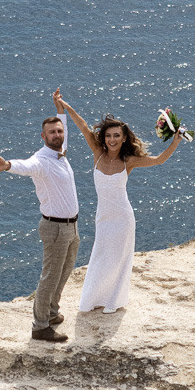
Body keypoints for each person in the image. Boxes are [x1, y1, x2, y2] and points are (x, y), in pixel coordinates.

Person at [56, 95, 182, 314]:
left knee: (119, 260)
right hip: (103, 218)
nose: (112, 140)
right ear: (103, 138)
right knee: (100, 257)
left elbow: (159, 160)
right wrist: (65, 107)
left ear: (124, 139)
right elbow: (83, 126)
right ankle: (93, 299)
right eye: (108, 136)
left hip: (123, 218)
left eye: (116, 136)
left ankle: (113, 301)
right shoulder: (97, 153)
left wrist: (176, 141)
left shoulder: (129, 161)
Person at [0, 89, 78, 344]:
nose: (58, 135)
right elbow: (25, 166)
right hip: (55, 228)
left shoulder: (60, 151)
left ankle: (50, 312)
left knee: (65, 271)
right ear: (43, 136)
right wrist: (7, 166)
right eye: (52, 132)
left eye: (59, 131)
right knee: (50, 275)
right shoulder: (42, 160)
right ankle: (40, 327)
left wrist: (60, 109)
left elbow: (65, 130)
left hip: (71, 226)